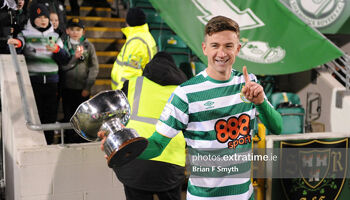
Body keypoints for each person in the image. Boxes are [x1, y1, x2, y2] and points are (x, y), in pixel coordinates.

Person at [101, 16, 283, 199]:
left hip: (245, 196)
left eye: (228, 46)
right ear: (204, 48)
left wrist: (260, 102)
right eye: (215, 45)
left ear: (238, 48)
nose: (221, 53)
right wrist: (124, 148)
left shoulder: (248, 83)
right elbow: (157, 145)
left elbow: (277, 128)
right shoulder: (185, 93)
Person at [108, 52, 188, 200]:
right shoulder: (184, 90)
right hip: (171, 164)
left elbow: (116, 115)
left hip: (135, 159)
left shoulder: (132, 83)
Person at [8, 3, 70, 144]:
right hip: (32, 82)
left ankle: (48, 143)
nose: (43, 20)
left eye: (45, 17)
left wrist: (57, 50)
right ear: (32, 19)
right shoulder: (25, 34)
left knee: (50, 115)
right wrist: (17, 43)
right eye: (39, 17)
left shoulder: (55, 36)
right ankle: (35, 143)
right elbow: (20, 44)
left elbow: (65, 59)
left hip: (52, 82)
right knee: (34, 115)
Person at [61, 17, 99, 143]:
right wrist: (74, 58)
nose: (75, 32)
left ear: (83, 31)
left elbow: (94, 67)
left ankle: (81, 138)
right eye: (72, 29)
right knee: (68, 115)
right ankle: (68, 139)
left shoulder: (89, 46)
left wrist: (87, 87)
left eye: (78, 29)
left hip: (82, 89)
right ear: (67, 31)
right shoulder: (63, 45)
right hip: (67, 88)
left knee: (83, 117)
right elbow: (62, 65)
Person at [110, 7, 157, 90]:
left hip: (128, 93)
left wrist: (122, 93)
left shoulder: (137, 41)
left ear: (128, 22)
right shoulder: (144, 36)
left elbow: (131, 72)